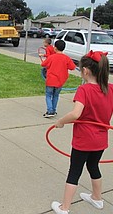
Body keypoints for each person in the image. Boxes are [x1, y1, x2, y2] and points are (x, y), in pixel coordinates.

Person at [51, 50, 113, 214]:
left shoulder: (84, 90)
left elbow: (76, 114)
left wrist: (60, 122)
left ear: (85, 70)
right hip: (100, 140)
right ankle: (97, 199)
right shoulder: (110, 89)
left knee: (74, 171)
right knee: (93, 166)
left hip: (84, 140)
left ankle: (64, 208)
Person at [41, 40, 76, 118]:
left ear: (55, 48)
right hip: (60, 81)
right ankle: (53, 110)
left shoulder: (51, 57)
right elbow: (72, 67)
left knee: (48, 95)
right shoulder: (66, 58)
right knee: (56, 95)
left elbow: (43, 64)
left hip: (50, 80)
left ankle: (50, 111)